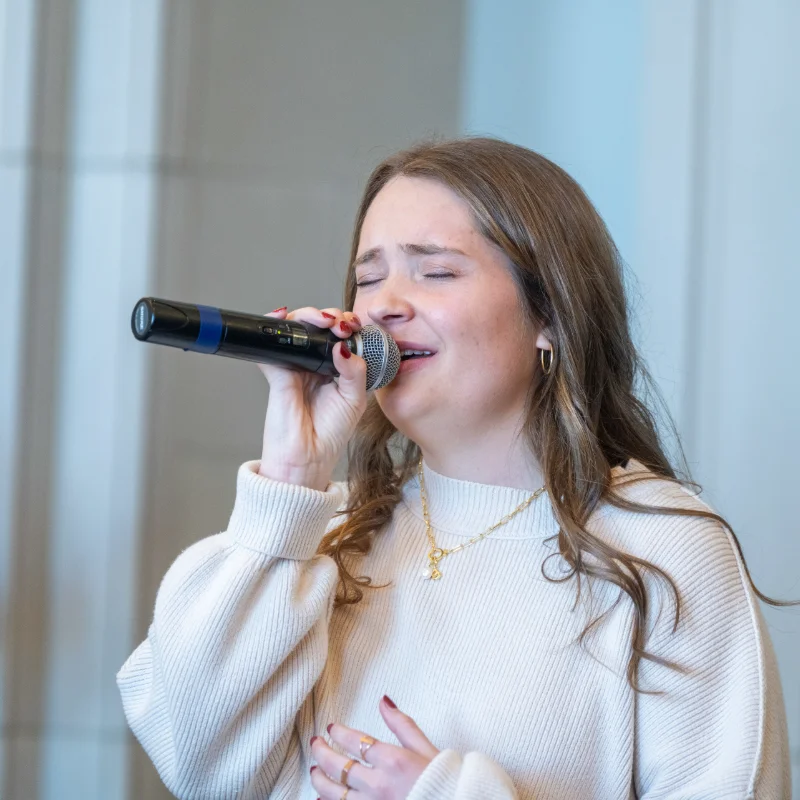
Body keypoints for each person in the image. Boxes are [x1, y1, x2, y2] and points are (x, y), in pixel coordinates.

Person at [117, 137, 793, 800]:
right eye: (369, 276)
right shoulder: (319, 537)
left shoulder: (662, 546)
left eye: (435, 271)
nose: (383, 304)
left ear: (550, 316)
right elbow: (202, 766)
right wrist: (293, 478)